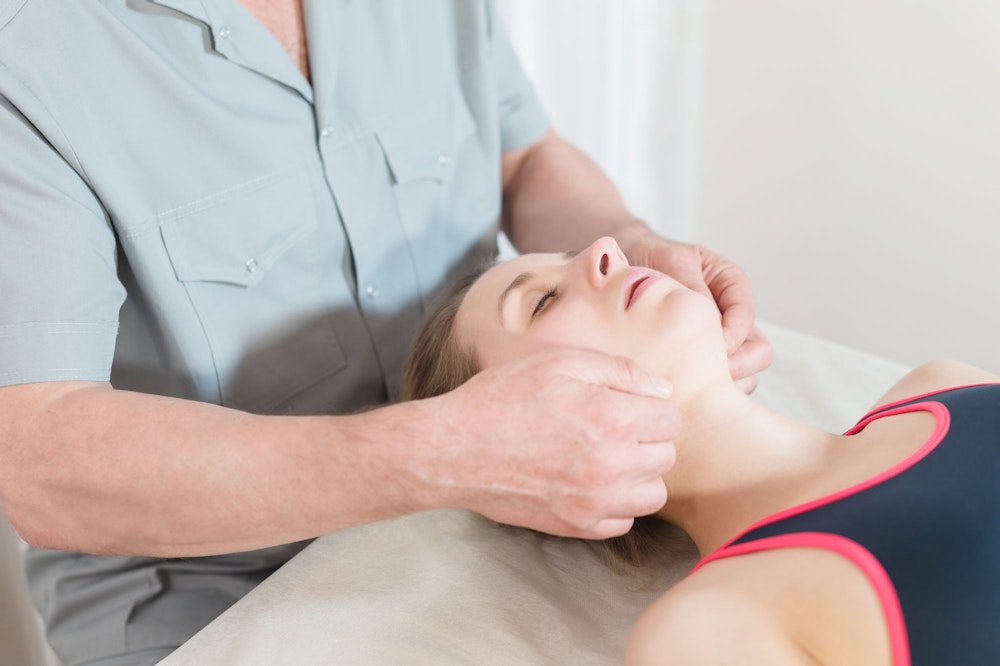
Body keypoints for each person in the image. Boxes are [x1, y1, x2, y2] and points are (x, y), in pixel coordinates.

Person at [0, 1, 772, 664]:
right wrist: (446, 454)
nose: (597, 261)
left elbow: (526, 156)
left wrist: (627, 240)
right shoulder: (31, 60)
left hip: (495, 519)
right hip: (210, 590)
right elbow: (39, 461)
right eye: (539, 298)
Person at [401, 236, 1000, 665]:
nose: (604, 249)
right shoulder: (702, 635)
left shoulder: (940, 385)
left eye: (572, 252)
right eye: (542, 301)